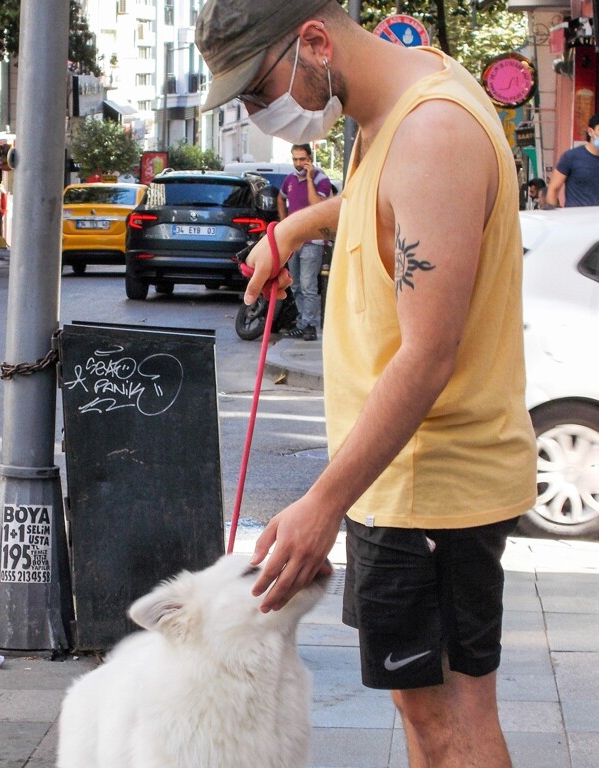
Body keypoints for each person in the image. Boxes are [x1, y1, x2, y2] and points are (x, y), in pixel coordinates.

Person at [196, 2, 536, 767]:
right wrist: (296, 227)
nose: (262, 113)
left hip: (429, 482)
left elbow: (427, 356)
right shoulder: (394, 101)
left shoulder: (431, 131)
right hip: (406, 479)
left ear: (314, 42)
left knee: (449, 723)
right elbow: (389, 203)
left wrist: (322, 504)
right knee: (430, 721)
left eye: (258, 91)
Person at [276, 143, 333, 340]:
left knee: (309, 285)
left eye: (302, 159)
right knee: (295, 285)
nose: (298, 163)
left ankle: (309, 326)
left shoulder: (321, 179)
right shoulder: (290, 179)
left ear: (310, 158)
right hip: (294, 240)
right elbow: (280, 198)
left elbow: (317, 204)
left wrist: (309, 179)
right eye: (295, 159)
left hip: (313, 240)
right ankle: (303, 322)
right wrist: (284, 223)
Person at [546, 113, 599, 207]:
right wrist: (553, 217)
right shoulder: (571, 157)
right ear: (590, 131)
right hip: (575, 219)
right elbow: (553, 189)